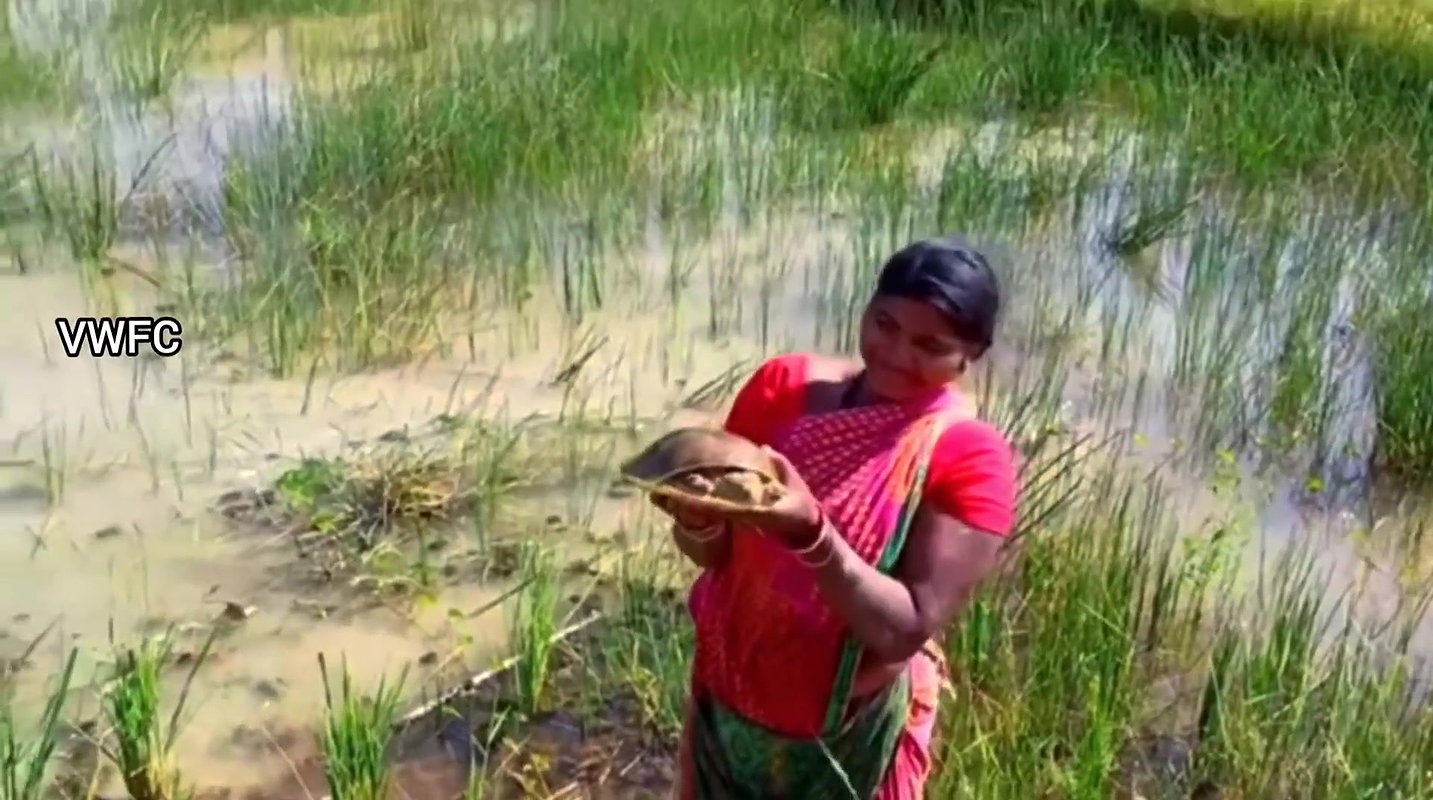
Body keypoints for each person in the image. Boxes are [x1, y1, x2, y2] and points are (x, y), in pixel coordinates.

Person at [651, 236, 1019, 799]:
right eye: (885, 323)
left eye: (930, 344)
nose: (896, 353)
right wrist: (696, 520)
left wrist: (813, 537)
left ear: (970, 356)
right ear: (867, 309)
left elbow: (905, 627)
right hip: (730, 696)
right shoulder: (784, 389)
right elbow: (719, 558)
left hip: (846, 729)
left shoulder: (969, 457)